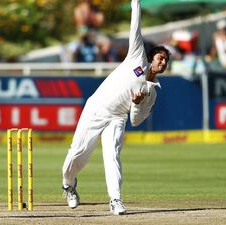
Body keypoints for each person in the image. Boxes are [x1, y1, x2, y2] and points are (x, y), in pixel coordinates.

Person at [61, 0, 170, 215]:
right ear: (151, 58)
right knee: (79, 153)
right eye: (161, 58)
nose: (163, 62)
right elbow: (135, 26)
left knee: (112, 155)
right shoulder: (137, 57)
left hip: (118, 117)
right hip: (97, 108)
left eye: (166, 61)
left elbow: (136, 121)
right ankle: (68, 184)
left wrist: (137, 105)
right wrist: (135, 3)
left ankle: (116, 200)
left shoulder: (152, 92)